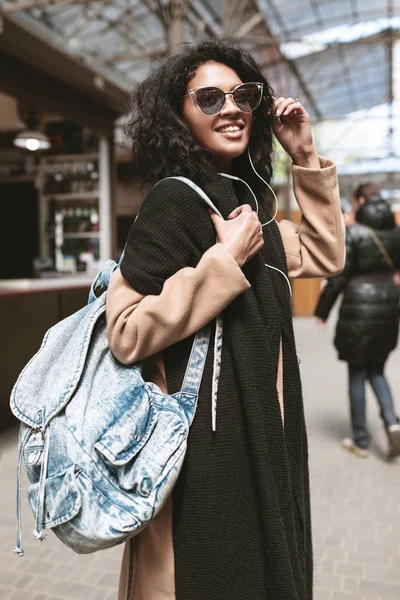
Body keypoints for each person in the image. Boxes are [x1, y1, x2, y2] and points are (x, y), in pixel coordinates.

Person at [106, 39, 345, 600]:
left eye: (243, 95)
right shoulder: (175, 202)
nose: (231, 108)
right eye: (209, 98)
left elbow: (324, 253)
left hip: (265, 432)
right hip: (205, 455)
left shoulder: (247, 199)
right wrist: (224, 261)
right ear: (179, 114)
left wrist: (304, 155)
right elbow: (126, 331)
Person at [315, 182, 400, 461]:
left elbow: (339, 276)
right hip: (389, 303)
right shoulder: (396, 233)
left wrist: (323, 311)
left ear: (362, 200)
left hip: (358, 306)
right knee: (377, 369)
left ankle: (361, 440)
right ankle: (393, 423)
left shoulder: (354, 233)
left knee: (356, 372)